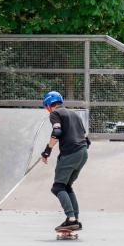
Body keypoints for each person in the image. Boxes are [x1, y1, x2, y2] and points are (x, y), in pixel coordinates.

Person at [40, 92, 90, 233]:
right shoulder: (74, 114)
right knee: (67, 186)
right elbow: (87, 139)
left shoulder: (55, 113)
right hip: (83, 152)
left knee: (57, 187)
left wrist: (46, 151)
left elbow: (57, 132)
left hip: (70, 153)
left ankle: (71, 219)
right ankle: (76, 219)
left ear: (49, 105)